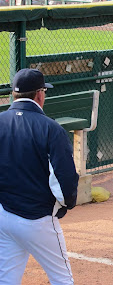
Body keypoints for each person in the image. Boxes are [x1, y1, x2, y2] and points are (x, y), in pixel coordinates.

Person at [0, 69, 79, 284]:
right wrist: (66, 205)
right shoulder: (51, 129)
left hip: (3, 217)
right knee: (62, 279)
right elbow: (65, 182)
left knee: (6, 278)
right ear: (39, 94)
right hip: (38, 220)